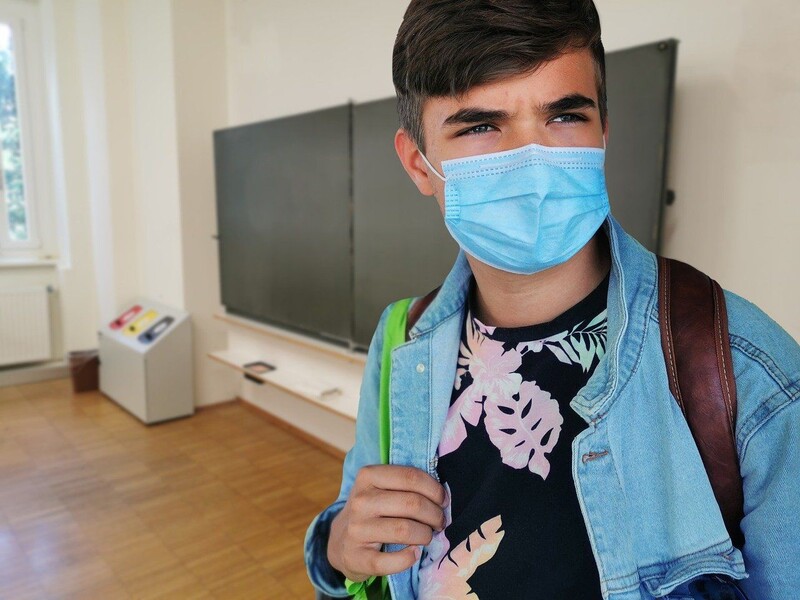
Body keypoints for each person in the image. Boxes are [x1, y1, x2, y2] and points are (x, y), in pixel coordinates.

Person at [305, 1, 800, 598]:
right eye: (480, 126)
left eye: (564, 116)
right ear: (419, 163)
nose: (532, 159)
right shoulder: (402, 339)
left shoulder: (749, 372)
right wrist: (335, 549)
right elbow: (358, 525)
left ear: (603, 132)